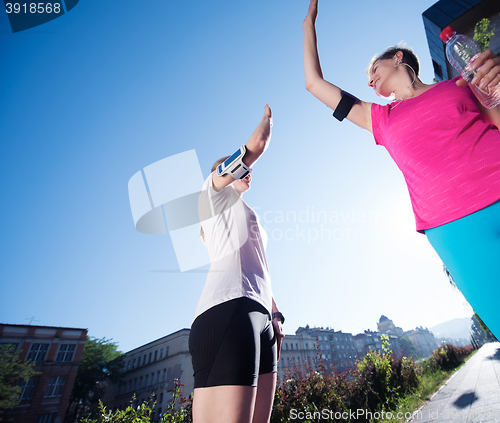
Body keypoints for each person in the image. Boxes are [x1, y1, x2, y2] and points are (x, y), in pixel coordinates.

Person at [302, 0, 500, 337]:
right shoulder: (379, 118)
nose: (370, 80)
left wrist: (497, 89)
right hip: (453, 226)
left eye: (372, 70)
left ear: (397, 57)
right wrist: (308, 26)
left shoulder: (458, 84)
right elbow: (314, 84)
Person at [189, 104, 285, 423]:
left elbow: (261, 267)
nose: (248, 174)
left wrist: (275, 314)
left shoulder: (245, 211)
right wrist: (266, 125)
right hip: (227, 309)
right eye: (240, 172)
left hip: (261, 318)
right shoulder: (212, 196)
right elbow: (253, 148)